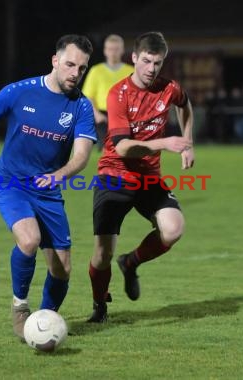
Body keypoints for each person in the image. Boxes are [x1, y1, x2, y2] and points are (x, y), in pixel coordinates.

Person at [0, 35, 96, 340]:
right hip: (9, 181)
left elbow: (81, 155)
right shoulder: (19, 91)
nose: (74, 73)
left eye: (81, 68)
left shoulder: (81, 107)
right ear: (55, 60)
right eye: (69, 64)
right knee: (29, 240)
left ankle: (44, 321)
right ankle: (20, 306)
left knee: (62, 268)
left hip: (48, 189)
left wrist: (60, 175)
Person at [86, 31, 194, 323]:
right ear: (134, 58)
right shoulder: (118, 94)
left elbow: (185, 104)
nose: (151, 69)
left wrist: (187, 141)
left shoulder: (168, 88)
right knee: (101, 254)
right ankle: (100, 305)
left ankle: (131, 262)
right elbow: (122, 147)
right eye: (146, 61)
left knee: (173, 229)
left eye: (157, 63)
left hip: (148, 177)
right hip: (115, 174)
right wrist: (165, 143)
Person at [82, 34, 134, 150]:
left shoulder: (131, 71)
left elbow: (137, 97)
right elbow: (88, 96)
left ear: (122, 50)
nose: (113, 52)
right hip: (103, 116)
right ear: (105, 51)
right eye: (110, 49)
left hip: (124, 116)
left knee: (124, 149)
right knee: (106, 149)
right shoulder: (96, 71)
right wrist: (96, 114)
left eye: (116, 49)